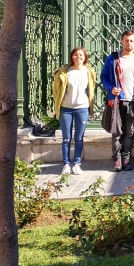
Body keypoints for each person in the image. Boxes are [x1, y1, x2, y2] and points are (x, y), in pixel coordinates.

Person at [101, 30, 134, 172]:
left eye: (131, 40)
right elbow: (103, 76)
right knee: (117, 132)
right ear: (122, 41)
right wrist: (111, 88)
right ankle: (117, 160)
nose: (129, 43)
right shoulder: (113, 58)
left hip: (133, 101)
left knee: (129, 132)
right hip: (117, 101)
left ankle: (126, 158)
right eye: (126, 40)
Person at [52, 46, 96, 176]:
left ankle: (77, 164)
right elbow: (56, 90)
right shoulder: (64, 71)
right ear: (72, 57)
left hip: (82, 107)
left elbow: (92, 88)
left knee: (79, 138)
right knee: (66, 138)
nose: (78, 57)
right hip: (66, 108)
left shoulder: (89, 71)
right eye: (76, 55)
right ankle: (66, 164)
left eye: (81, 55)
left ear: (85, 57)